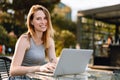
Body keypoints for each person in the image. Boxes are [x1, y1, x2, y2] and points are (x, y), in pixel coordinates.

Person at [9, 4, 57, 79]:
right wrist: (39, 68)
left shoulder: (49, 41)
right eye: (38, 19)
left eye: (45, 18)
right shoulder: (24, 40)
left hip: (36, 78)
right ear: (31, 22)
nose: (43, 22)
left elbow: (54, 63)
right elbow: (13, 70)